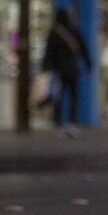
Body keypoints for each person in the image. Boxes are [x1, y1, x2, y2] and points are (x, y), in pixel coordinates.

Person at [39, 7, 92, 137]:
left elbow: (48, 53)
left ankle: (59, 124)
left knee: (59, 98)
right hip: (73, 70)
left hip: (59, 71)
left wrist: (46, 68)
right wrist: (88, 65)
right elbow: (84, 50)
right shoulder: (74, 31)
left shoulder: (54, 33)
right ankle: (71, 123)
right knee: (73, 97)